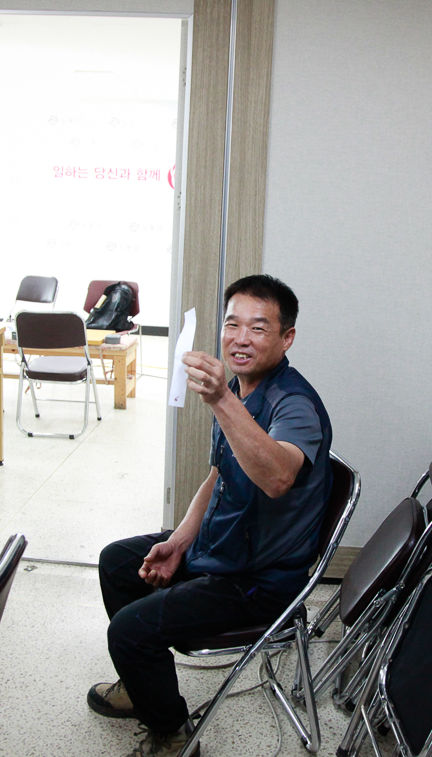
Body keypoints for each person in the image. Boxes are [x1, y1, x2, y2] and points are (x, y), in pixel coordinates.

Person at [89, 275, 333, 757]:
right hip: (222, 545)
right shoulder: (240, 389)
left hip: (258, 580)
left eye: (258, 328)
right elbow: (218, 476)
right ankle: (143, 688)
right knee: (116, 561)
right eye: (232, 324)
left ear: (286, 338)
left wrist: (221, 400)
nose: (240, 338)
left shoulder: (294, 404)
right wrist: (180, 541)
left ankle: (173, 735)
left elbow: (277, 477)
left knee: (130, 631)